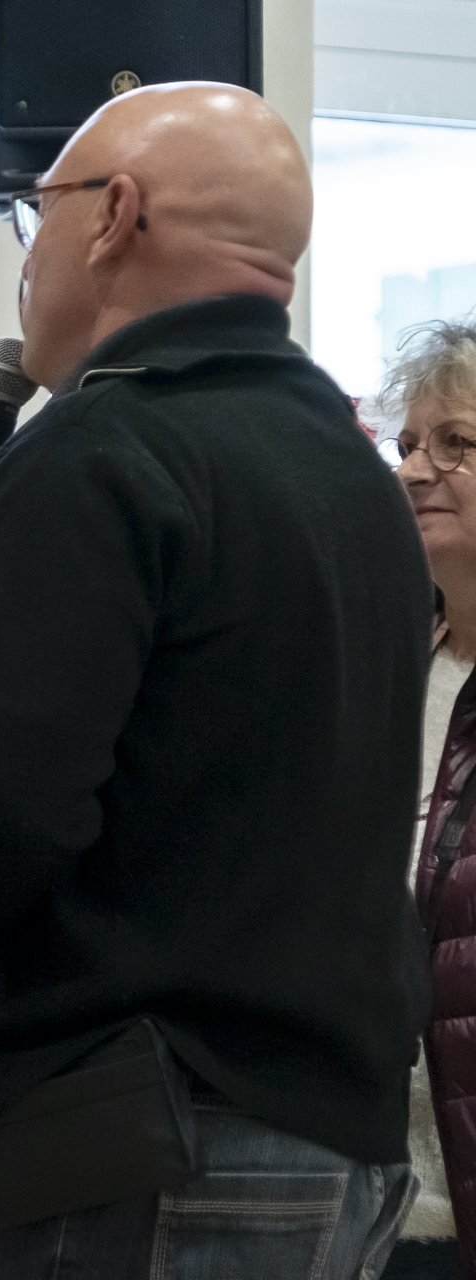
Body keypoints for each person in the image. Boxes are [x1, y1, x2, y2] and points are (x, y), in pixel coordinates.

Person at [0, 82, 432, 1278]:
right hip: (330, 1138)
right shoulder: (351, 467)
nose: (28, 253)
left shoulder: (101, 450)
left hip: (138, 1142)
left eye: (33, 214)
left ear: (112, 216)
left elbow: (9, 797)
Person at [386, 319, 476, 1279]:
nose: (416, 469)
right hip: (376, 1206)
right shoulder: (379, 669)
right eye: (408, 443)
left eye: (457, 443)